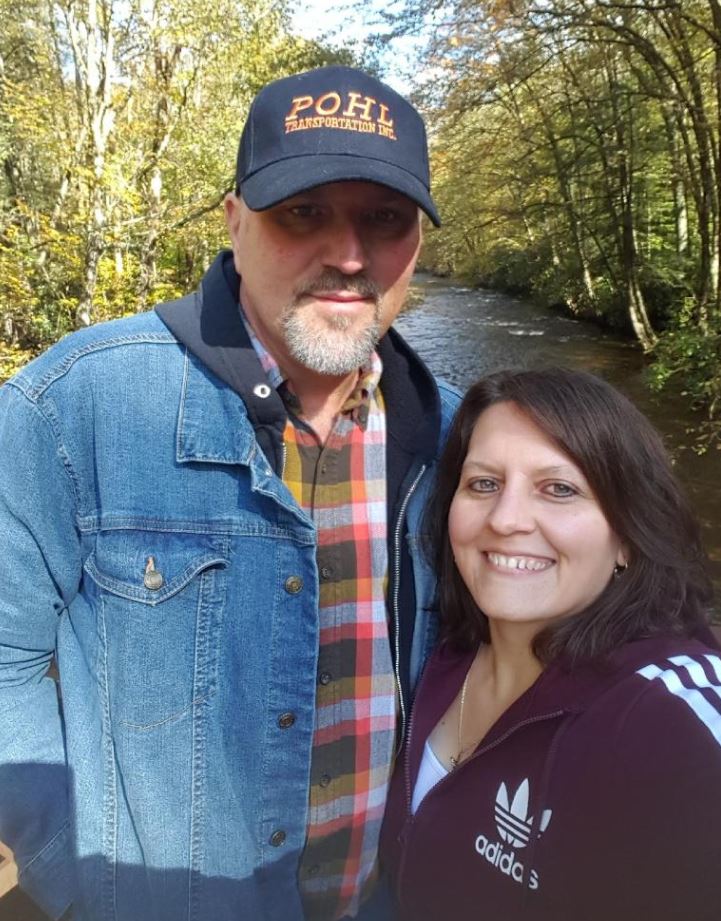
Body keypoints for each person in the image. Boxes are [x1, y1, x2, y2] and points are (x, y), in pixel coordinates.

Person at [0, 66, 460, 921]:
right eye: (303, 212)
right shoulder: (74, 406)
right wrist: (68, 873)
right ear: (234, 220)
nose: (348, 255)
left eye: (384, 218)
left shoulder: (462, 441)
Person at [380, 368, 720, 921]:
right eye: (483, 484)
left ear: (628, 537)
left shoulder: (665, 714)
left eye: (559, 489)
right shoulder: (442, 650)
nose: (506, 520)